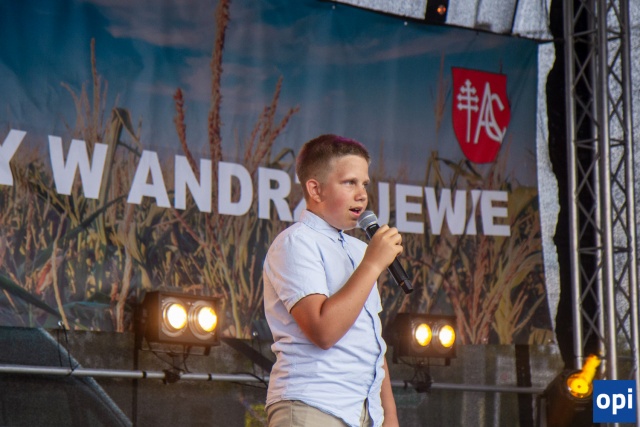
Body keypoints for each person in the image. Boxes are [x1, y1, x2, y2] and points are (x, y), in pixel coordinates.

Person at [262, 134, 401, 427]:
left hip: (364, 413)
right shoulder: (296, 242)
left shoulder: (359, 250)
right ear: (315, 189)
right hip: (312, 406)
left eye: (364, 184)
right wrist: (373, 264)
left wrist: (389, 416)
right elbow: (323, 331)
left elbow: (371, 340)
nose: (361, 195)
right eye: (349, 182)